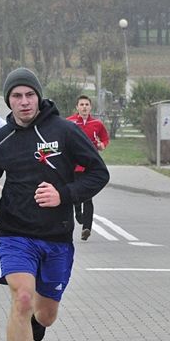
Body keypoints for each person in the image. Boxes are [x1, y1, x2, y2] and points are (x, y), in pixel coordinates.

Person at [0, 68, 109, 341]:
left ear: (38, 96)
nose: (23, 102)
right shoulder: (1, 139)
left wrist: (64, 194)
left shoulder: (64, 131)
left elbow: (98, 172)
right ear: (8, 101)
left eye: (28, 95)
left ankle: (36, 320)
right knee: (21, 297)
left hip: (56, 239)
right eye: (16, 97)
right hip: (15, 234)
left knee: (45, 315)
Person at [66, 95, 109, 241]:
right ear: (77, 107)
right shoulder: (69, 122)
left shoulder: (97, 123)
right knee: (76, 196)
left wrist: (101, 145)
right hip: (74, 166)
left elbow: (104, 139)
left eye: (87, 104)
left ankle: (86, 228)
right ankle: (78, 214)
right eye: (81, 104)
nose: (84, 107)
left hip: (90, 166)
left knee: (88, 197)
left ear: (90, 107)